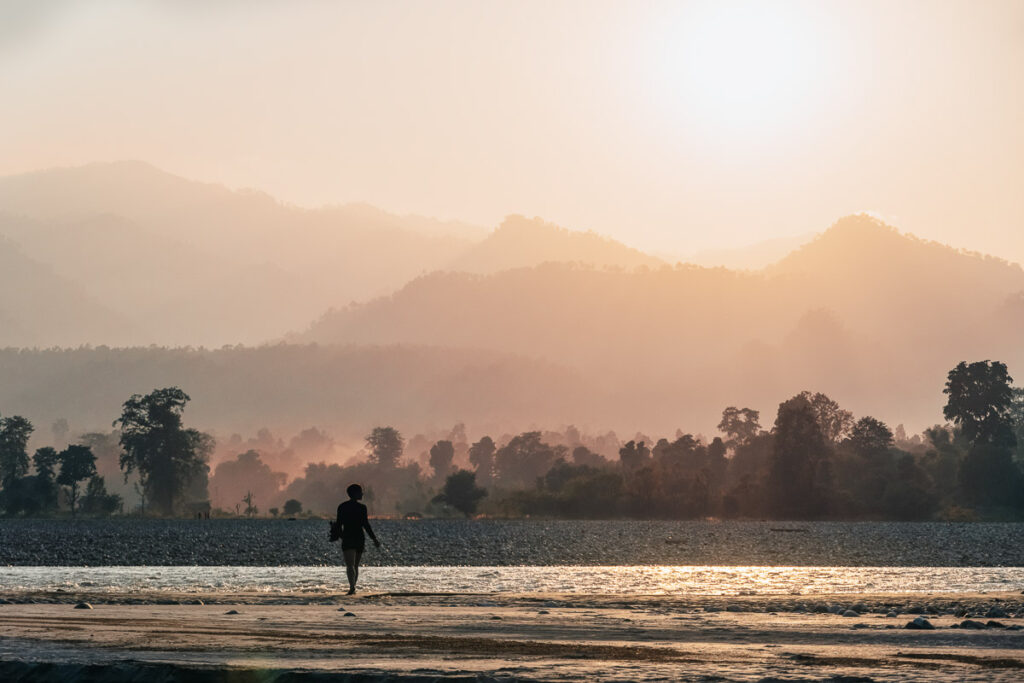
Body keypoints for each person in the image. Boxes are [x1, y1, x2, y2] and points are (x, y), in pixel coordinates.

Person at [336, 483, 380, 595]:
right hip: (359, 538)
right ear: (355, 494)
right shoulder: (362, 508)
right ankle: (353, 587)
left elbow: (338, 524)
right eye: (360, 492)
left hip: (348, 537)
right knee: (355, 565)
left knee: (350, 565)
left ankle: (352, 587)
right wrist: (374, 539)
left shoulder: (342, 507)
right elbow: (366, 525)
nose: (362, 494)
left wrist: (340, 536)